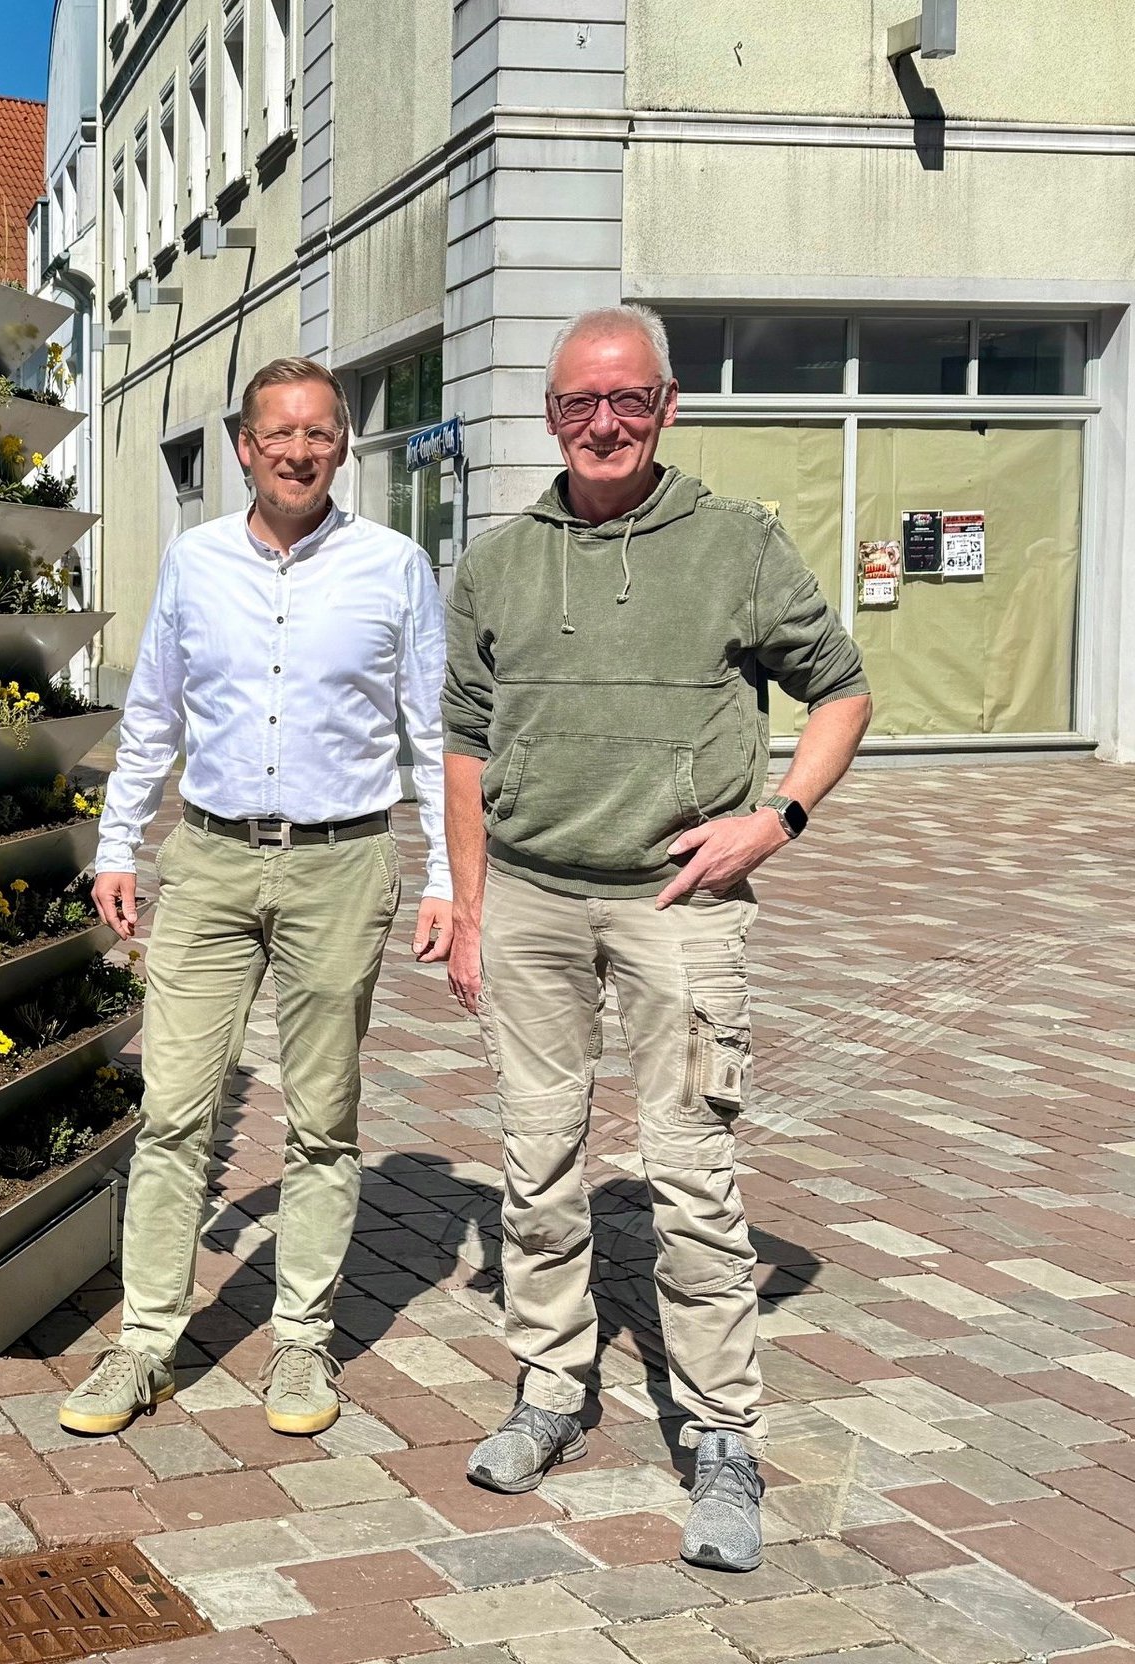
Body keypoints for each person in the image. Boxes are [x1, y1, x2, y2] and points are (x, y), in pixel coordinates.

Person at [441, 305, 871, 1572]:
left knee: (692, 1179)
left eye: (629, 399)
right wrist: (467, 905)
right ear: (552, 415)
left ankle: (725, 1435)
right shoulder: (499, 562)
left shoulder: (736, 543)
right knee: (536, 1164)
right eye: (582, 404)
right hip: (528, 901)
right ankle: (551, 1389)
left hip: (677, 907)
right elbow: (464, 743)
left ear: (669, 405)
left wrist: (776, 818)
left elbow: (840, 687)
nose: (606, 423)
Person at [58, 357, 455, 1440]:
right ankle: (144, 1343)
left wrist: (450, 878)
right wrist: (118, 845)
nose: (297, 450)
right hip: (213, 861)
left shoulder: (395, 567)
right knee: (175, 1109)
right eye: (278, 433)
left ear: (342, 446)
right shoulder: (194, 563)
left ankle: (300, 1338)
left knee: (325, 1119)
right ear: (244, 445)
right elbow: (152, 718)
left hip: (344, 863)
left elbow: (433, 732)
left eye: (319, 433)